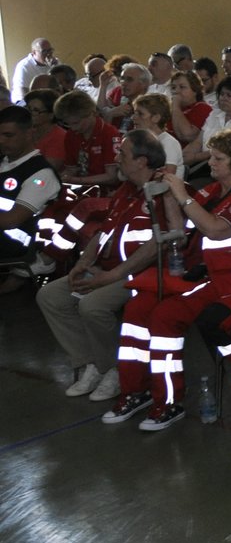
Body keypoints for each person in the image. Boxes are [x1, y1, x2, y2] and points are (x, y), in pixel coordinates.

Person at [102, 128, 231, 430]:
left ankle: (169, 401)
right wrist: (169, 195)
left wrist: (182, 195)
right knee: (137, 309)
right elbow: (180, 233)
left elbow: (215, 229)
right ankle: (134, 390)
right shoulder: (211, 191)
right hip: (199, 275)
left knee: (166, 316)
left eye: (219, 158)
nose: (211, 163)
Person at [42, 130, 182, 404]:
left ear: (141, 161)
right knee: (50, 296)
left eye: (123, 154)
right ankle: (93, 362)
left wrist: (113, 275)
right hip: (106, 268)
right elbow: (103, 232)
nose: (116, 158)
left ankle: (115, 370)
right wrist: (83, 262)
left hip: (140, 273)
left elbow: (160, 243)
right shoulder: (125, 189)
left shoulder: (163, 189)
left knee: (92, 306)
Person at [0, 104, 63, 290]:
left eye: (8, 135)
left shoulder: (40, 174)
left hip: (16, 242)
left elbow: (13, 220)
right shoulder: (4, 163)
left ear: (29, 134)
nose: (1, 141)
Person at [11, 38, 58, 103]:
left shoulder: (55, 63)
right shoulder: (24, 66)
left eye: (50, 50)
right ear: (34, 52)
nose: (48, 54)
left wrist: (54, 68)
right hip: (26, 101)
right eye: (44, 51)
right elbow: (22, 92)